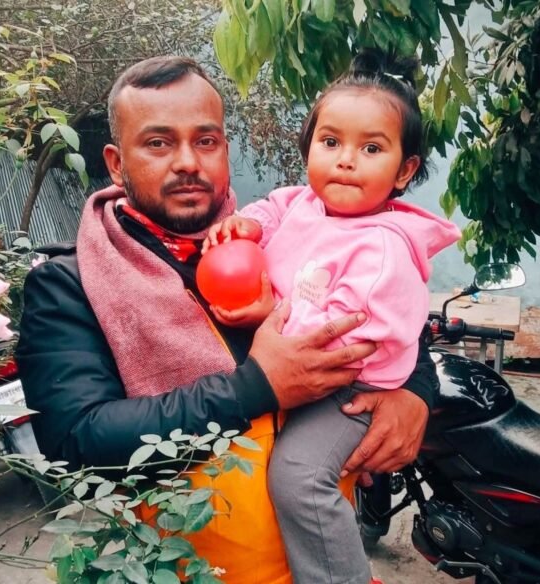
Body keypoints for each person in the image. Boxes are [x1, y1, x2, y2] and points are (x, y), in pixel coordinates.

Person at [15, 55, 439, 583]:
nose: (187, 162)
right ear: (117, 164)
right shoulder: (71, 284)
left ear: (225, 151)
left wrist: (415, 393)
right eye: (158, 143)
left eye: (206, 141)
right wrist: (256, 387)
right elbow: (77, 441)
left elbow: (390, 312)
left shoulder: (277, 234)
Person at [202, 50, 461, 584]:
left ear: (404, 171)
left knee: (300, 477)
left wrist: (268, 316)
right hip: (301, 372)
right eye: (330, 142)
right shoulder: (304, 204)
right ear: (308, 150)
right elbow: (274, 208)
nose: (346, 160)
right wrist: (248, 225)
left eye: (371, 148)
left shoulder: (382, 248)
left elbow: (344, 334)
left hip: (347, 385)